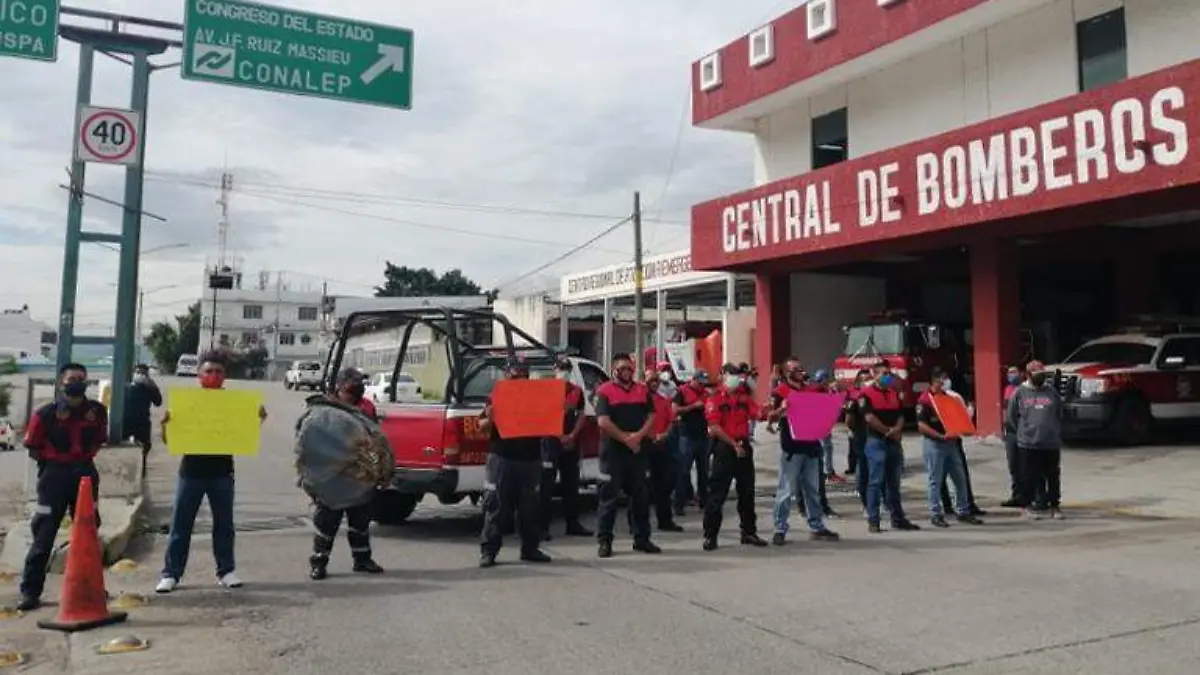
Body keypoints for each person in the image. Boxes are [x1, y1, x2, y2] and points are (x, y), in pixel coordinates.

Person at [157, 350, 266, 593]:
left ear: (225, 377)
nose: (213, 376)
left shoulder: (234, 404)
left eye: (218, 372)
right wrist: (165, 427)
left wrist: (257, 419)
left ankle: (226, 570)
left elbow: (244, 435)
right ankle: (171, 574)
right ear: (199, 375)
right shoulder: (187, 403)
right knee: (181, 525)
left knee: (224, 525)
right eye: (209, 371)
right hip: (191, 473)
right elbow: (170, 442)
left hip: (222, 473)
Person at [16, 363, 108, 611]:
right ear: (61, 383)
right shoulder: (45, 414)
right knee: (43, 537)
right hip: (53, 478)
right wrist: (56, 464)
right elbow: (32, 446)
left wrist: (80, 464)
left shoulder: (97, 411)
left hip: (85, 477)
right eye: (71, 378)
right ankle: (30, 591)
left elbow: (99, 441)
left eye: (81, 378)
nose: (76, 382)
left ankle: (92, 587)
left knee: (88, 534)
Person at [307, 369, 385, 580]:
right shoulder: (325, 408)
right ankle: (319, 562)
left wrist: (379, 471)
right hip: (332, 476)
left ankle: (362, 560)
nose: (355, 390)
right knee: (327, 523)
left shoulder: (367, 406)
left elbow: (375, 437)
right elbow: (310, 441)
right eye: (351, 386)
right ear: (339, 387)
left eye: (359, 385)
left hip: (360, 474)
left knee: (360, 522)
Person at [478, 358, 553, 568]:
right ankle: (489, 551)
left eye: (523, 373)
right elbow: (482, 426)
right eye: (515, 373)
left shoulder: (537, 398)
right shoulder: (497, 395)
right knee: (496, 507)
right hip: (502, 458)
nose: (519, 377)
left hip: (530, 460)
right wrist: (490, 419)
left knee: (530, 508)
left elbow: (549, 425)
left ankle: (530, 549)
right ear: (507, 374)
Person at [594, 353, 662, 558]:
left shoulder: (642, 390)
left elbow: (651, 415)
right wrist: (626, 439)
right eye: (622, 367)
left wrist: (638, 437)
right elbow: (603, 421)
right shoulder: (604, 391)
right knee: (609, 500)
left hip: (637, 452)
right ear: (614, 369)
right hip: (613, 453)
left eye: (629, 368)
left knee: (641, 497)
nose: (626, 371)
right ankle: (605, 541)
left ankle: (642, 539)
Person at [769, 358, 839, 546]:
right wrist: (782, 410)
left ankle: (816, 526)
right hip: (792, 448)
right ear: (786, 373)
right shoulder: (780, 392)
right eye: (795, 368)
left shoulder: (809, 389)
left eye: (801, 367)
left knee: (812, 490)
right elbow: (771, 416)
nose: (800, 370)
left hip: (811, 447)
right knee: (785, 491)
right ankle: (780, 528)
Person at [702, 363, 769, 551]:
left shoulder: (743, 397)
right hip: (725, 447)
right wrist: (733, 445)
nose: (735, 378)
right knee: (717, 494)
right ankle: (710, 535)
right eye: (731, 374)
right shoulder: (714, 398)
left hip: (743, 446)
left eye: (737, 375)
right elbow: (714, 427)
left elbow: (758, 414)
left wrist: (773, 411)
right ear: (723, 375)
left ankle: (748, 532)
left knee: (747, 493)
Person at [858, 360, 921, 533]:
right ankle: (874, 519)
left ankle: (898, 518)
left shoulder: (894, 393)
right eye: (884, 374)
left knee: (894, 482)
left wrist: (897, 429)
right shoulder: (866, 394)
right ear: (875, 375)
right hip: (876, 442)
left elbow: (901, 414)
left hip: (893, 442)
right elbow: (869, 418)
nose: (887, 377)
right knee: (875, 482)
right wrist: (888, 431)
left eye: (889, 373)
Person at [916, 371, 984, 528]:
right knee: (936, 480)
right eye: (941, 381)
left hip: (952, 443)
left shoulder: (949, 398)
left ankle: (963, 511)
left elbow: (959, 418)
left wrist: (964, 429)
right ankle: (936, 514)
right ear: (934, 382)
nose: (945, 384)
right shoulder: (925, 401)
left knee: (960, 479)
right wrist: (939, 436)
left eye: (945, 380)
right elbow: (922, 425)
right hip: (935, 444)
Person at [539, 356, 591, 540]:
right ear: (554, 369)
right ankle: (542, 527)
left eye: (566, 368)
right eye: (560, 368)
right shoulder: (546, 390)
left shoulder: (576, 391)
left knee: (571, 484)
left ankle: (573, 523)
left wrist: (572, 435)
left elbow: (582, 415)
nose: (564, 372)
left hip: (570, 442)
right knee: (546, 486)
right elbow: (541, 417)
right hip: (550, 442)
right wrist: (558, 435)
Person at [1007, 360, 1065, 521]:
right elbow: (1012, 417)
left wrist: (1054, 430)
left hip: (1050, 442)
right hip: (1028, 443)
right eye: (1036, 375)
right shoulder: (1020, 393)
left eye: (1042, 375)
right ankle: (1026, 508)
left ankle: (1054, 506)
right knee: (1028, 476)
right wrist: (1024, 432)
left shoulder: (1051, 392)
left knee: (1053, 476)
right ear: (1028, 375)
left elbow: (1059, 412)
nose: (1040, 378)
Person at [935, 374, 986, 517]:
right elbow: (965, 416)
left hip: (948, 438)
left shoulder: (948, 397)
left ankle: (950, 506)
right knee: (956, 474)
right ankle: (964, 504)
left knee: (945, 475)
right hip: (947, 438)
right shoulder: (949, 397)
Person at [642, 368, 683, 532]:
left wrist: (664, 435)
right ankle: (638, 524)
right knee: (642, 487)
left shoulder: (663, 400)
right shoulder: (639, 401)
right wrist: (650, 436)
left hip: (661, 445)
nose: (653, 383)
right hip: (644, 444)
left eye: (656, 381)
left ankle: (665, 520)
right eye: (650, 380)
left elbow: (671, 422)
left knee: (664, 485)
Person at [672, 371, 710, 516]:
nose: (701, 386)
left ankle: (704, 503)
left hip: (703, 436)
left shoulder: (706, 393)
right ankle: (679, 504)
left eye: (703, 383)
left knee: (704, 472)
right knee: (683, 471)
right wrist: (693, 406)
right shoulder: (682, 391)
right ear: (693, 380)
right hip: (687, 436)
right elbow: (674, 410)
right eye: (699, 383)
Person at [123, 363, 162, 472]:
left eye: (143, 373)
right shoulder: (125, 386)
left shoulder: (148, 388)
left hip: (142, 421)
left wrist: (152, 385)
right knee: (121, 444)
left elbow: (158, 402)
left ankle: (141, 469)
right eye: (138, 372)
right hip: (125, 420)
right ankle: (127, 465)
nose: (140, 375)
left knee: (145, 447)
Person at [1000, 365, 1026, 508]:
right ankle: (1016, 495)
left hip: (1023, 431)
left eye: (1014, 372)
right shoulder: (1008, 389)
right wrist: (1004, 427)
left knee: (1025, 465)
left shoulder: (1025, 390)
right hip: (1010, 432)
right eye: (1009, 373)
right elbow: (1005, 409)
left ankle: (1028, 496)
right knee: (1013, 466)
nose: (1011, 375)